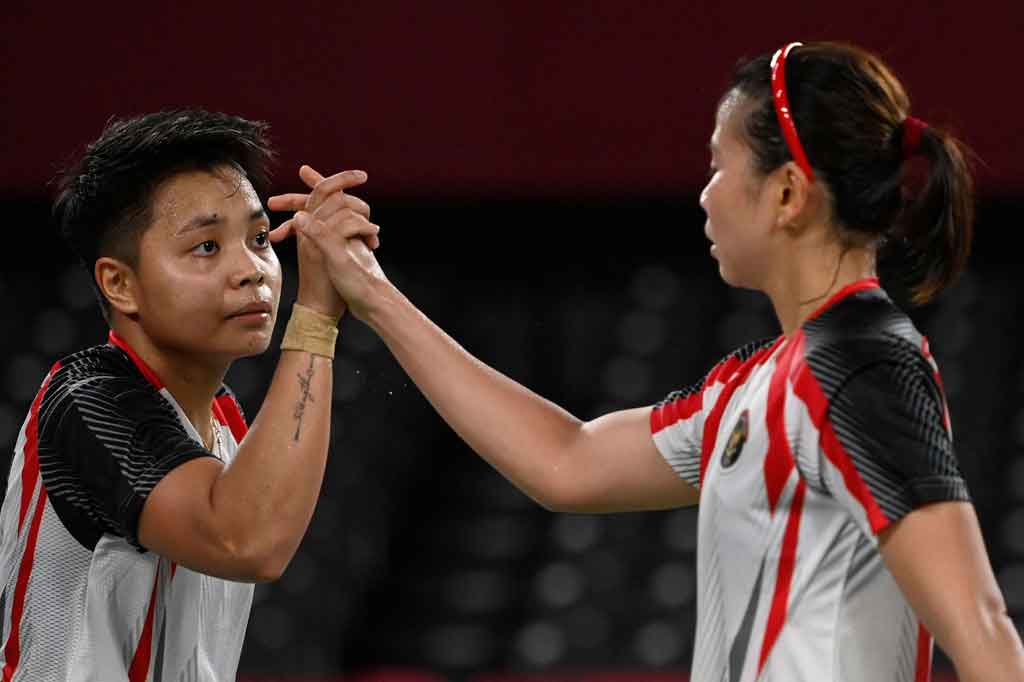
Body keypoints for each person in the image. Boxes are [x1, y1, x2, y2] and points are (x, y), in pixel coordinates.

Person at [272, 42, 1024, 680]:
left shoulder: (861, 365)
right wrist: (373, 294)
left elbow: (982, 630)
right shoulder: (759, 381)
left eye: (719, 167)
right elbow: (566, 461)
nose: (704, 195)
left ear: (788, 193)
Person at [0, 110, 377, 679]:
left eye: (257, 238)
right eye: (206, 247)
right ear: (119, 283)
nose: (252, 270)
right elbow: (247, 540)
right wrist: (317, 317)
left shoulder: (225, 420)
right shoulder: (84, 399)